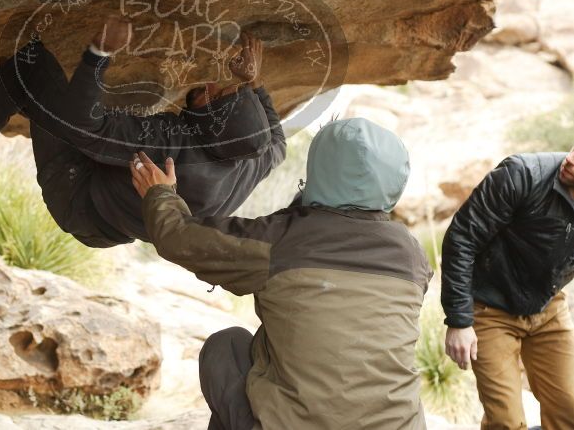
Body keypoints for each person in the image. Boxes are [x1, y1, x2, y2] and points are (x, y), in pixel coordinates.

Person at [130, 118, 432, 430]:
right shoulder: (413, 256)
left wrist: (160, 194)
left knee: (226, 347)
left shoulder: (282, 241)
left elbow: (178, 237)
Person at [0, 17, 285, 248]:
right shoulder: (250, 156)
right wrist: (254, 84)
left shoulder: (169, 149)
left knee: (32, 68)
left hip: (77, 196)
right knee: (42, 102)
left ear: (210, 126)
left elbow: (82, 124)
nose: (211, 85)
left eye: (214, 98)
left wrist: (98, 54)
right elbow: (276, 142)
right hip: (109, 223)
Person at [442, 150, 574, 430]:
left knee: (570, 408)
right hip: (489, 308)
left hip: (547, 305)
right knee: (505, 421)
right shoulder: (522, 175)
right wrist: (459, 320)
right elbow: (461, 239)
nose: (571, 160)